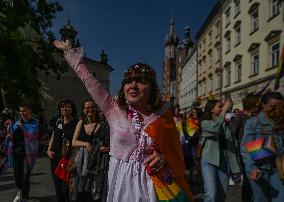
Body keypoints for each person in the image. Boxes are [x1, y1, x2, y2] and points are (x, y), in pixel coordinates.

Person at [53, 39, 193, 202]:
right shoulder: (113, 109)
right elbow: (89, 81)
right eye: (128, 81)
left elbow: (175, 153)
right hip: (122, 185)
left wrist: (163, 158)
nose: (133, 85)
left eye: (141, 81)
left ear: (152, 88)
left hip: (155, 186)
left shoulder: (163, 117)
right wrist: (70, 52)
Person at [240, 91, 284, 202]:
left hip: (278, 169)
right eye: (273, 107)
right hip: (259, 169)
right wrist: (251, 169)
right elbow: (245, 149)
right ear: (263, 105)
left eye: (279, 107)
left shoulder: (281, 122)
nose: (276, 110)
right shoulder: (252, 123)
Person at [200, 99, 240, 202]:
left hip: (224, 159)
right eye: (220, 106)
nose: (223, 108)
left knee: (222, 195)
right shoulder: (205, 122)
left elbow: (232, 144)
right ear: (211, 109)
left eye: (223, 106)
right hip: (209, 159)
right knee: (211, 194)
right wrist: (224, 110)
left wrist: (236, 167)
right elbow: (215, 129)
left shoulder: (224, 123)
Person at [71, 98, 110, 202]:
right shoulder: (81, 123)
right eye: (87, 107)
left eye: (93, 107)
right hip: (82, 164)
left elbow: (105, 142)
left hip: (97, 164)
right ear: (83, 110)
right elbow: (73, 141)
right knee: (82, 192)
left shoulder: (102, 125)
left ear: (96, 108)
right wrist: (86, 144)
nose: (90, 109)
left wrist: (99, 148)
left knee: (95, 191)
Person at [6, 103, 39, 202]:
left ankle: (24, 197)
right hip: (16, 153)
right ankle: (20, 191)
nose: (22, 113)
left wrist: (23, 127)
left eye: (24, 111)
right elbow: (13, 138)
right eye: (21, 111)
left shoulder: (34, 123)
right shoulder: (16, 123)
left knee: (25, 175)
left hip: (28, 154)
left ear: (30, 111)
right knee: (17, 175)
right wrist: (9, 136)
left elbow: (32, 136)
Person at [47, 100, 78, 202]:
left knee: (65, 189)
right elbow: (53, 135)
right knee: (58, 189)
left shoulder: (76, 123)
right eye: (62, 107)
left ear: (72, 109)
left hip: (67, 159)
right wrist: (48, 150)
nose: (64, 109)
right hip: (55, 157)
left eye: (67, 107)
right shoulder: (58, 121)